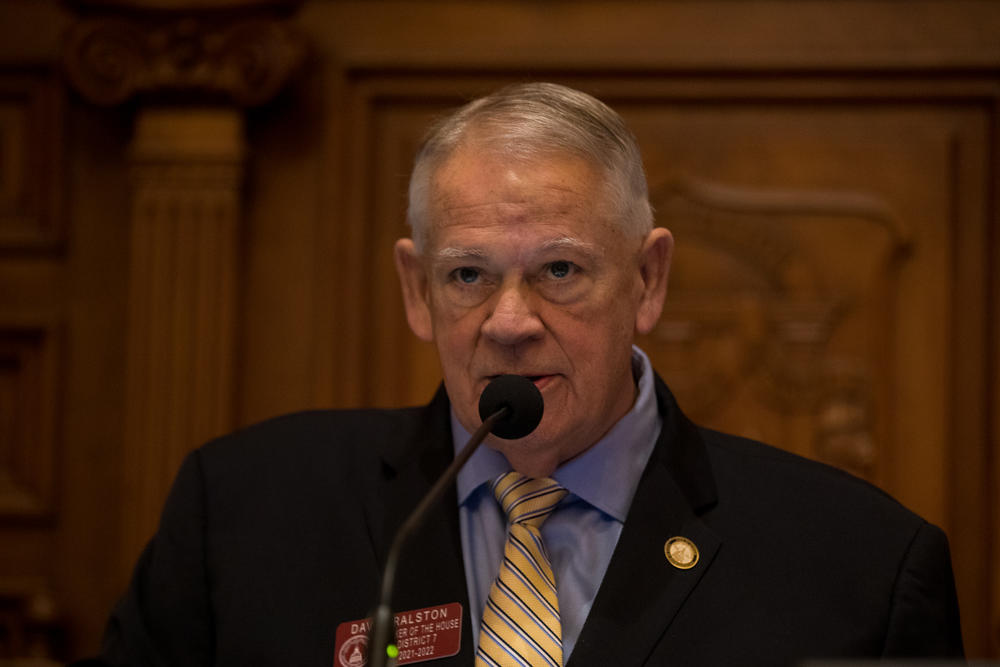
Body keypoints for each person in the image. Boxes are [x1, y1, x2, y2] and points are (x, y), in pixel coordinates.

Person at [90, 82, 962, 667]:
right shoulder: (243, 511)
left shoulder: (860, 566)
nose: (510, 322)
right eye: (468, 275)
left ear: (647, 280)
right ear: (416, 288)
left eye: (559, 271)